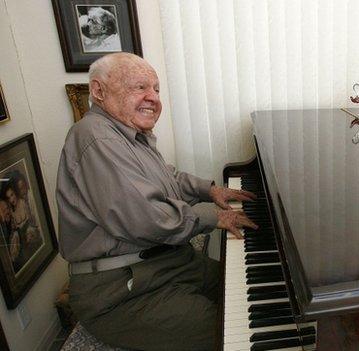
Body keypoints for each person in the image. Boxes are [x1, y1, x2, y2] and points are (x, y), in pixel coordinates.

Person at [56, 52, 257, 351]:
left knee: (246, 292)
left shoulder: (130, 133)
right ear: (99, 91)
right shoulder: (96, 138)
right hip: (121, 291)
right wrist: (213, 216)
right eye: (139, 87)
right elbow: (145, 219)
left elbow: (166, 177)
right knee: (232, 333)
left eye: (156, 89)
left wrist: (210, 190)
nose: (153, 98)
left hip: (167, 263)